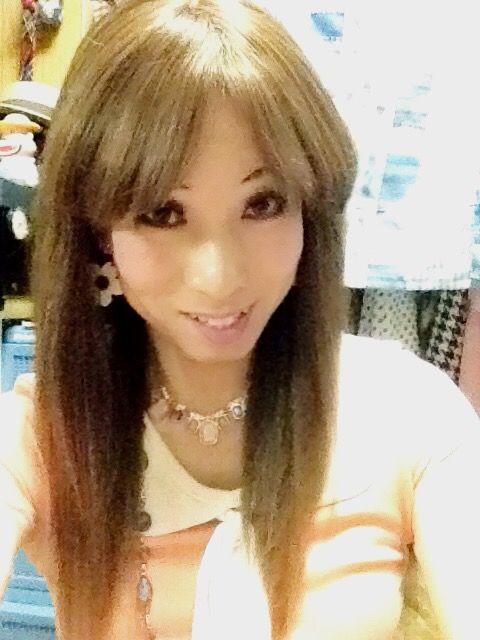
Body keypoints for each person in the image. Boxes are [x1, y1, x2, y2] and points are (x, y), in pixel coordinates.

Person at [1, 1, 479, 639]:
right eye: (162, 213)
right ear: (97, 233)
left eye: (264, 204)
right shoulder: (44, 437)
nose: (220, 276)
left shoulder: (404, 413)